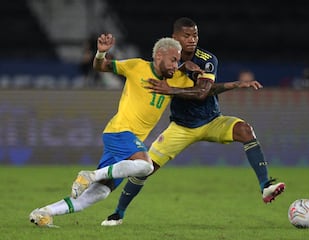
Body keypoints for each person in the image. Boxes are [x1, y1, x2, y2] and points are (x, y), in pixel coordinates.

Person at [101, 17, 285, 226]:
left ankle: (265, 186)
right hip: (181, 127)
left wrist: (172, 90)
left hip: (211, 121)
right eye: (186, 35)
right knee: (146, 167)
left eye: (195, 35)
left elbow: (203, 91)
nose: (192, 40)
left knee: (245, 130)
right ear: (175, 38)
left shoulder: (207, 59)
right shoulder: (167, 61)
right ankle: (118, 213)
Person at [29, 34, 197, 227]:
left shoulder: (177, 79)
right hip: (120, 132)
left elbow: (202, 91)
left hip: (128, 143)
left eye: (178, 61)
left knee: (99, 193)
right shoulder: (137, 66)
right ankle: (90, 174)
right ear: (159, 55)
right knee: (146, 166)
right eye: (173, 60)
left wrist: (197, 73)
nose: (176, 65)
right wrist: (101, 53)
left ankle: (43, 213)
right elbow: (101, 66)